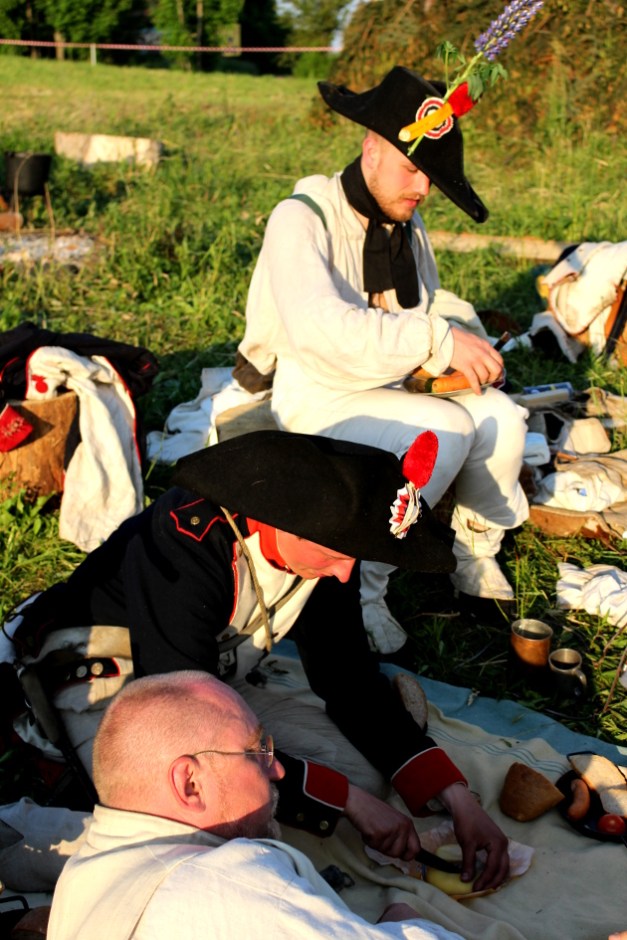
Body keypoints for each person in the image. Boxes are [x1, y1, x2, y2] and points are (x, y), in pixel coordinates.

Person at [6, 429, 509, 891]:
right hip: (114, 680)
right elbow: (181, 723)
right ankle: (25, 838)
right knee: (203, 827)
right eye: (335, 556)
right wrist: (346, 800)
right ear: (280, 518)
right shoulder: (185, 543)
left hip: (208, 681)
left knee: (365, 775)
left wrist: (454, 795)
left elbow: (346, 676)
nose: (343, 573)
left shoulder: (331, 544)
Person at [235, 66, 529, 652]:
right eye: (412, 169)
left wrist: (453, 360)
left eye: (430, 176)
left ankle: (475, 547)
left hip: (387, 383)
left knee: (503, 417)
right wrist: (437, 342)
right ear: (372, 147)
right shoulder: (302, 216)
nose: (423, 189)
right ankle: (363, 586)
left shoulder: (406, 223)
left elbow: (419, 307)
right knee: (445, 431)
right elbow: (321, 333)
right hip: (315, 394)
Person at [47, 670, 466, 940]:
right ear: (190, 783)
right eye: (257, 751)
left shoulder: (79, 877)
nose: (277, 769)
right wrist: (405, 922)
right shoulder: (235, 884)